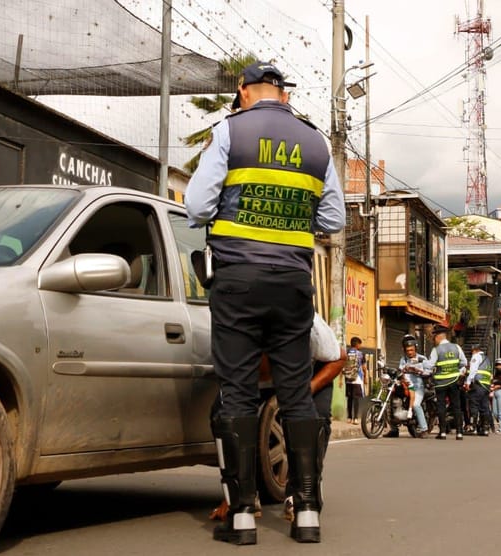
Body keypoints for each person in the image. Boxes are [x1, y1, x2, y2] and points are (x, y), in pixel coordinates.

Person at [185, 60, 345, 545]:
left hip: (237, 279)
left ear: (243, 91)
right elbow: (334, 219)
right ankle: (308, 513)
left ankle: (241, 518)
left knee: (237, 392)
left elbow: (197, 207)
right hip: (293, 282)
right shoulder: (315, 142)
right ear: (285, 95)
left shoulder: (229, 132)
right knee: (295, 393)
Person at [209, 314, 346, 524]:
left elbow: (339, 358)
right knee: (223, 415)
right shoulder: (236, 340)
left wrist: (308, 390)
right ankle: (245, 495)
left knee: (313, 419)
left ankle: (301, 496)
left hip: (310, 374)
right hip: (255, 378)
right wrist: (233, 494)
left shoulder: (309, 327)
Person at [425, 325, 468, 440]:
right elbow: (464, 362)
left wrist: (421, 362)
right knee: (456, 407)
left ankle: (443, 432)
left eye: (434, 337)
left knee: (441, 407)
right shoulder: (456, 347)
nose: (434, 340)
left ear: (438, 337)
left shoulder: (436, 350)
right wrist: (456, 370)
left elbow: (430, 365)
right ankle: (459, 432)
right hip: (454, 381)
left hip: (441, 383)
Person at [400, 334, 431, 438]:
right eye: (407, 350)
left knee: (416, 405)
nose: (409, 352)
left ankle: (424, 429)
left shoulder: (422, 358)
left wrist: (419, 371)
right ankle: (394, 428)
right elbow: (400, 370)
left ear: (415, 349)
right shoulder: (403, 359)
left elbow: (429, 371)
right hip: (405, 386)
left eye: (411, 350)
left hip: (418, 386)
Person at [465, 345, 494, 436]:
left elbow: (473, 370)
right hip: (486, 386)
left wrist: (468, 382)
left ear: (474, 350)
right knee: (484, 407)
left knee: (473, 406)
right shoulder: (487, 359)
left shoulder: (476, 356)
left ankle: (472, 427)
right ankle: (485, 428)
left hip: (478, 384)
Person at [345, 337, 367, 425]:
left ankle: (349, 417)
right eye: (360, 344)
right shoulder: (361, 354)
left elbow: (343, 365)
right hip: (357, 379)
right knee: (356, 399)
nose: (360, 346)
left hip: (348, 378)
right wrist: (365, 377)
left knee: (349, 398)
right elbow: (364, 367)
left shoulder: (347, 353)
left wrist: (341, 379)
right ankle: (356, 418)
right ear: (357, 344)